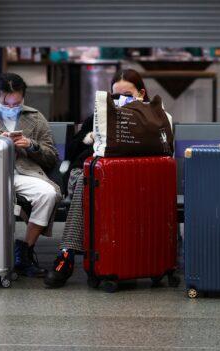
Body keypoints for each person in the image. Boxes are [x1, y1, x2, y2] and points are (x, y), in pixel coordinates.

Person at [44, 69, 157, 288]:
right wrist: (90, 139)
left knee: (90, 185)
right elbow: (71, 151)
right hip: (86, 172)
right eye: (115, 96)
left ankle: (67, 255)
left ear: (141, 94)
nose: (121, 101)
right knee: (88, 183)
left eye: (128, 95)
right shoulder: (98, 117)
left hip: (125, 177)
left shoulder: (152, 120)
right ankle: (68, 253)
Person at [0, 73, 62, 277]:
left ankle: (24, 251)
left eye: (17, 103)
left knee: (48, 194)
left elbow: (51, 157)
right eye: (7, 102)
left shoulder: (35, 117)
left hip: (23, 173)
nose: (12, 107)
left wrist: (32, 146)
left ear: (23, 97)